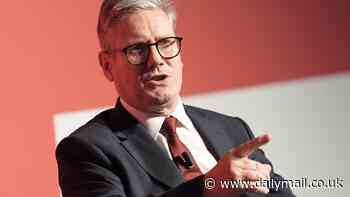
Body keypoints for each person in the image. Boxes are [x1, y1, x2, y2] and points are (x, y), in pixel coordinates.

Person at [56, 0, 295, 196]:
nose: (156, 59)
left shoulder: (232, 129)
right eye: (137, 49)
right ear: (107, 65)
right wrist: (208, 188)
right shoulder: (88, 150)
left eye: (166, 43)